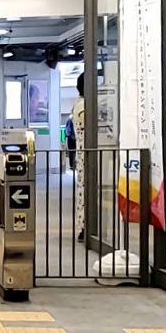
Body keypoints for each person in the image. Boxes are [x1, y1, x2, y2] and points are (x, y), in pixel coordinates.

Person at [70, 76, 86, 242]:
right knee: (84, 191)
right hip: (84, 155)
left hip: (83, 154)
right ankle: (84, 227)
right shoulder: (82, 105)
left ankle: (85, 226)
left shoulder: (80, 104)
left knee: (84, 191)